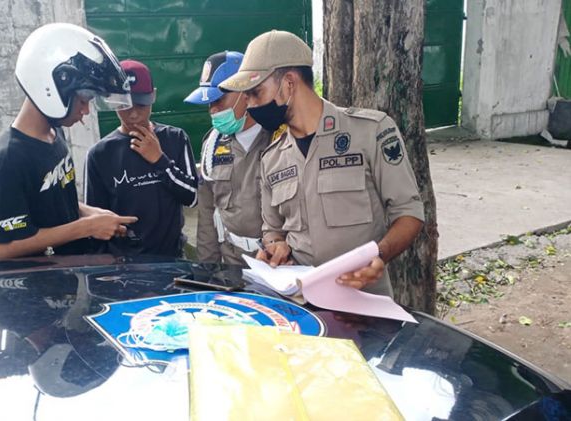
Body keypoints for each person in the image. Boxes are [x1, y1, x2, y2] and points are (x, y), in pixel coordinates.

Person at [219, 30, 424, 296]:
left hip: (362, 300)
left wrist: (380, 256)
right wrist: (274, 246)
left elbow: (409, 213)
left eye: (255, 93)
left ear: (289, 83)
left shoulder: (369, 131)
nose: (249, 105)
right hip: (301, 302)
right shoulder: (272, 158)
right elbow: (272, 229)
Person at [0, 23, 138, 260]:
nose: (86, 111)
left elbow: (50, 199)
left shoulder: (54, 135)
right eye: (83, 99)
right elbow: (3, 248)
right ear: (53, 88)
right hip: (35, 290)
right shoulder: (10, 159)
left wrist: (90, 213)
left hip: (62, 280)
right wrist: (86, 227)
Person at [85, 60, 198, 257]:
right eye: (125, 106)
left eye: (141, 104)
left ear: (153, 95)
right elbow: (95, 221)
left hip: (172, 259)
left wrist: (160, 160)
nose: (134, 114)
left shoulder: (175, 138)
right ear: (112, 101)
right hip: (123, 266)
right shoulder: (100, 154)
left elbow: (192, 197)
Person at [184, 51, 271, 265]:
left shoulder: (278, 138)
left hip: (276, 264)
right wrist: (207, 268)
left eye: (220, 99)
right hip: (232, 264)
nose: (213, 109)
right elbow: (207, 213)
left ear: (246, 92)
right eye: (209, 103)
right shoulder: (212, 145)